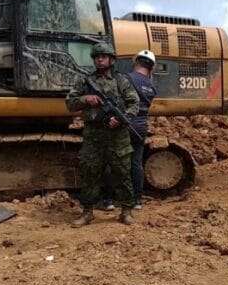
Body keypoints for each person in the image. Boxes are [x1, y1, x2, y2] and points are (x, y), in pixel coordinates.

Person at [65, 42, 140, 227]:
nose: (100, 59)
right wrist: (85, 99)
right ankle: (88, 211)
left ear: (111, 60)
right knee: (90, 172)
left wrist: (121, 119)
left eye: (104, 56)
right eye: (97, 57)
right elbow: (70, 103)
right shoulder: (85, 81)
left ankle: (126, 210)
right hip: (94, 135)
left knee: (122, 173)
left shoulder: (121, 81)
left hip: (117, 136)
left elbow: (134, 103)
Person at [125, 49, 158, 209]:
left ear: (136, 62)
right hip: (141, 126)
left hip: (125, 123)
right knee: (136, 162)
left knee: (113, 161)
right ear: (151, 67)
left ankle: (109, 200)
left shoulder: (126, 79)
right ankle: (137, 200)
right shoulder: (151, 86)